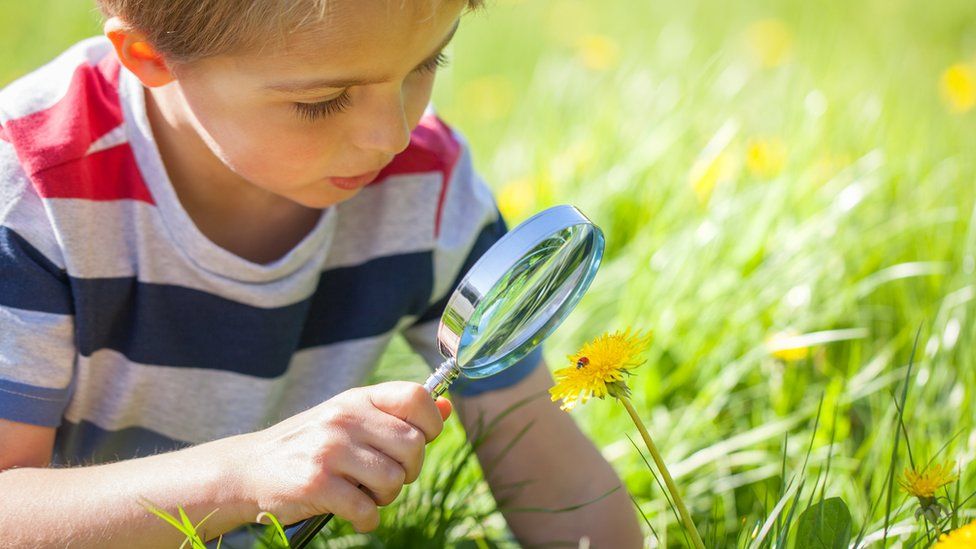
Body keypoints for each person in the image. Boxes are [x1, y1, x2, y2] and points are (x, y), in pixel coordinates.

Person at [0, 0, 643, 546]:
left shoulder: (424, 185)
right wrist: (241, 476)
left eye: (426, 64)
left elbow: (543, 459)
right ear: (151, 56)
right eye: (323, 101)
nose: (390, 135)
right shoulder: (34, 197)